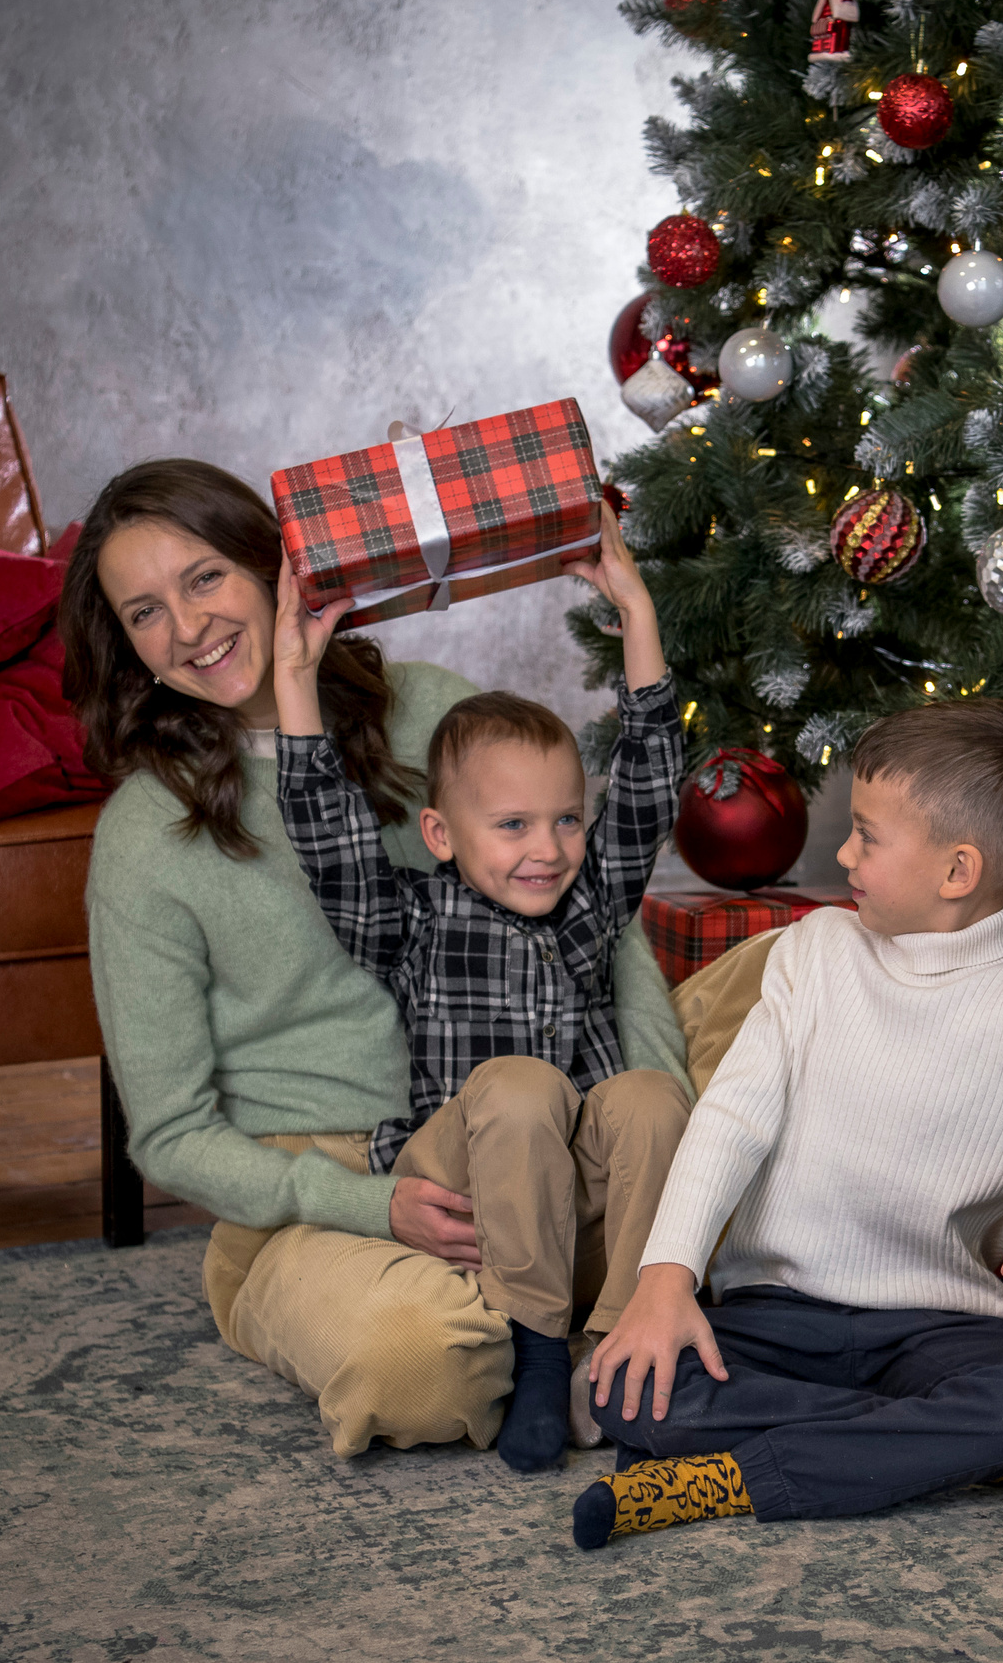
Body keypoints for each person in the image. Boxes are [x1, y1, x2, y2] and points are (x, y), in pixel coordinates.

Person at [64, 457, 687, 1459]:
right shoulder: (145, 835)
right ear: (125, 644)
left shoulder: (431, 708)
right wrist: (366, 1203)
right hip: (322, 1191)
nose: (184, 627)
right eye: (143, 611)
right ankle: (554, 1330)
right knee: (422, 1362)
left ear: (274, 566)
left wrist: (669, 1107)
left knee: (783, 998)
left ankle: (615, 1303)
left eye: (205, 577)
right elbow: (172, 1134)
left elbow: (598, 914)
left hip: (545, 1124)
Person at [572, 700, 1003, 1550]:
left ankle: (732, 1478)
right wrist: (665, 1278)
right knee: (625, 1384)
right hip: (780, 1308)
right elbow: (729, 1119)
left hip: (941, 1329)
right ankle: (925, 1445)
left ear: (956, 870)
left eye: (866, 835)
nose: (842, 854)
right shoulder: (814, 952)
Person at [271, 503, 690, 1472]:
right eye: (511, 825)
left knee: (648, 1095)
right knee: (518, 1083)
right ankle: (536, 1352)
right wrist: (295, 678)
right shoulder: (409, 918)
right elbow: (327, 834)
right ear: (441, 835)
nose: (547, 849)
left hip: (566, 1181)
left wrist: (637, 620)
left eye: (564, 820)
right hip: (463, 1168)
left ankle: (616, 1350)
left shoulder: (585, 910)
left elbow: (646, 790)